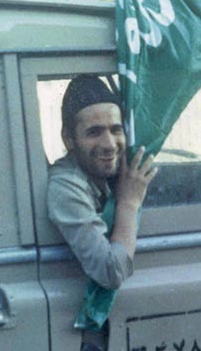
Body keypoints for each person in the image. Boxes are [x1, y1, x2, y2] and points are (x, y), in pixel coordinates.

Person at [47, 76, 157, 351]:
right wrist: (129, 204)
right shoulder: (65, 186)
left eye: (116, 129)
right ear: (69, 139)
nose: (109, 144)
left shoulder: (106, 175)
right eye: (94, 132)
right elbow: (111, 271)